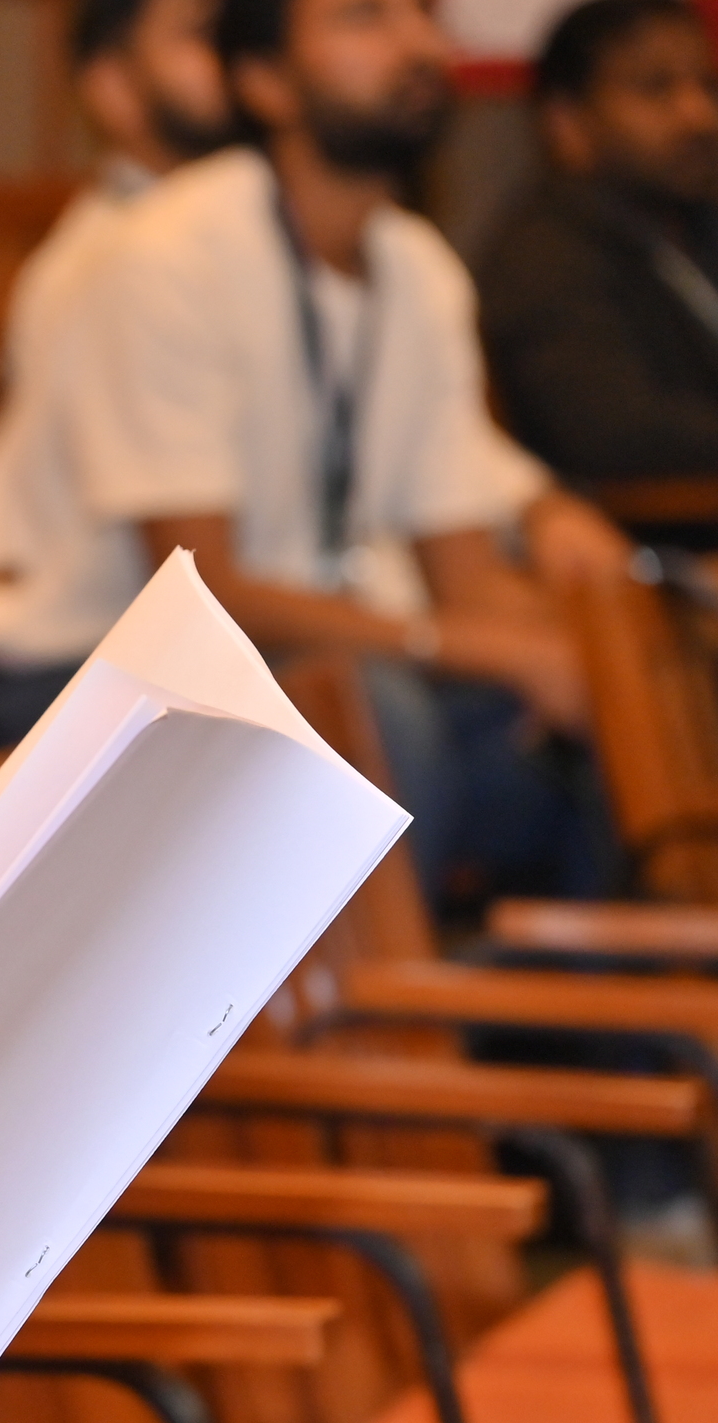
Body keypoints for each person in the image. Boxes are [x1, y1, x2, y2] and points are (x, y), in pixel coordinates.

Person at [66, 0, 628, 913]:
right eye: (366, 17)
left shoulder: (419, 266)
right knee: (375, 714)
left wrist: (592, 644)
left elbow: (465, 577)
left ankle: (600, 998)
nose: (418, 45)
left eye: (423, 16)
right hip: (98, 675)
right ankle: (382, 999)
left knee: (605, 701)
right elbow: (197, 590)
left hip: (318, 650)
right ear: (265, 82)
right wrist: (464, 644)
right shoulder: (167, 254)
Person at [0, 0, 233, 751]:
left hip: (182, 648)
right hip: (64, 668)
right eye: (204, 35)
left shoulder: (254, 242)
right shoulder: (123, 260)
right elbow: (201, 578)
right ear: (112, 89)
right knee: (375, 709)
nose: (238, 50)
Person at [479, 0, 718, 546]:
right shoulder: (545, 257)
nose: (698, 115)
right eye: (656, 89)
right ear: (567, 122)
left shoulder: (695, 227)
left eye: (706, 86)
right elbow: (617, 435)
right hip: (647, 550)